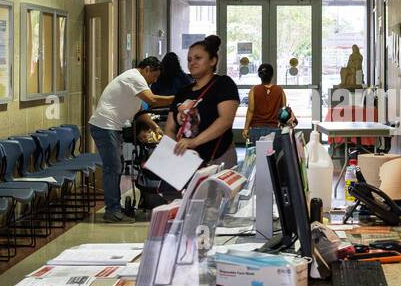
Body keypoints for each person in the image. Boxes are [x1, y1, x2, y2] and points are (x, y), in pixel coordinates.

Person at [89, 57, 173, 222]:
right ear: (147, 69)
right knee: (113, 168)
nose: (154, 80)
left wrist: (155, 127)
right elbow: (152, 100)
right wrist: (177, 98)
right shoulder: (134, 77)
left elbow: (140, 111)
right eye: (154, 76)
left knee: (116, 167)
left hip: (112, 126)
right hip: (105, 126)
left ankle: (115, 208)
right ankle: (112, 211)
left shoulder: (134, 82)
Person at [166, 34, 240, 168]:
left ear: (213, 61)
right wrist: (174, 150)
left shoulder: (223, 84)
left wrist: (194, 142)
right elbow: (170, 128)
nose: (192, 63)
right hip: (186, 162)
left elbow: (225, 120)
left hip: (217, 159)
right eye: (189, 59)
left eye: (198, 58)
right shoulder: (183, 92)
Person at [243, 63, 297, 145]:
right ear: (272, 75)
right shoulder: (279, 90)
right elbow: (283, 111)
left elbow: (250, 110)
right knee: (274, 156)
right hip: (276, 129)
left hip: (256, 130)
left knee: (258, 157)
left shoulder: (254, 90)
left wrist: (246, 128)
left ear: (259, 75)